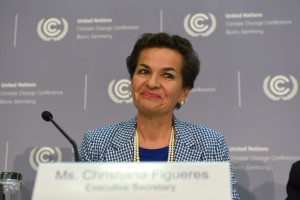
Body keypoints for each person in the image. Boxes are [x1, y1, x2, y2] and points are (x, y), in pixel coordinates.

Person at [80, 32, 239, 199]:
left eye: (167, 75)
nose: (152, 83)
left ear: (184, 92)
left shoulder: (209, 144)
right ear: (131, 81)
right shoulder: (97, 143)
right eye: (143, 71)